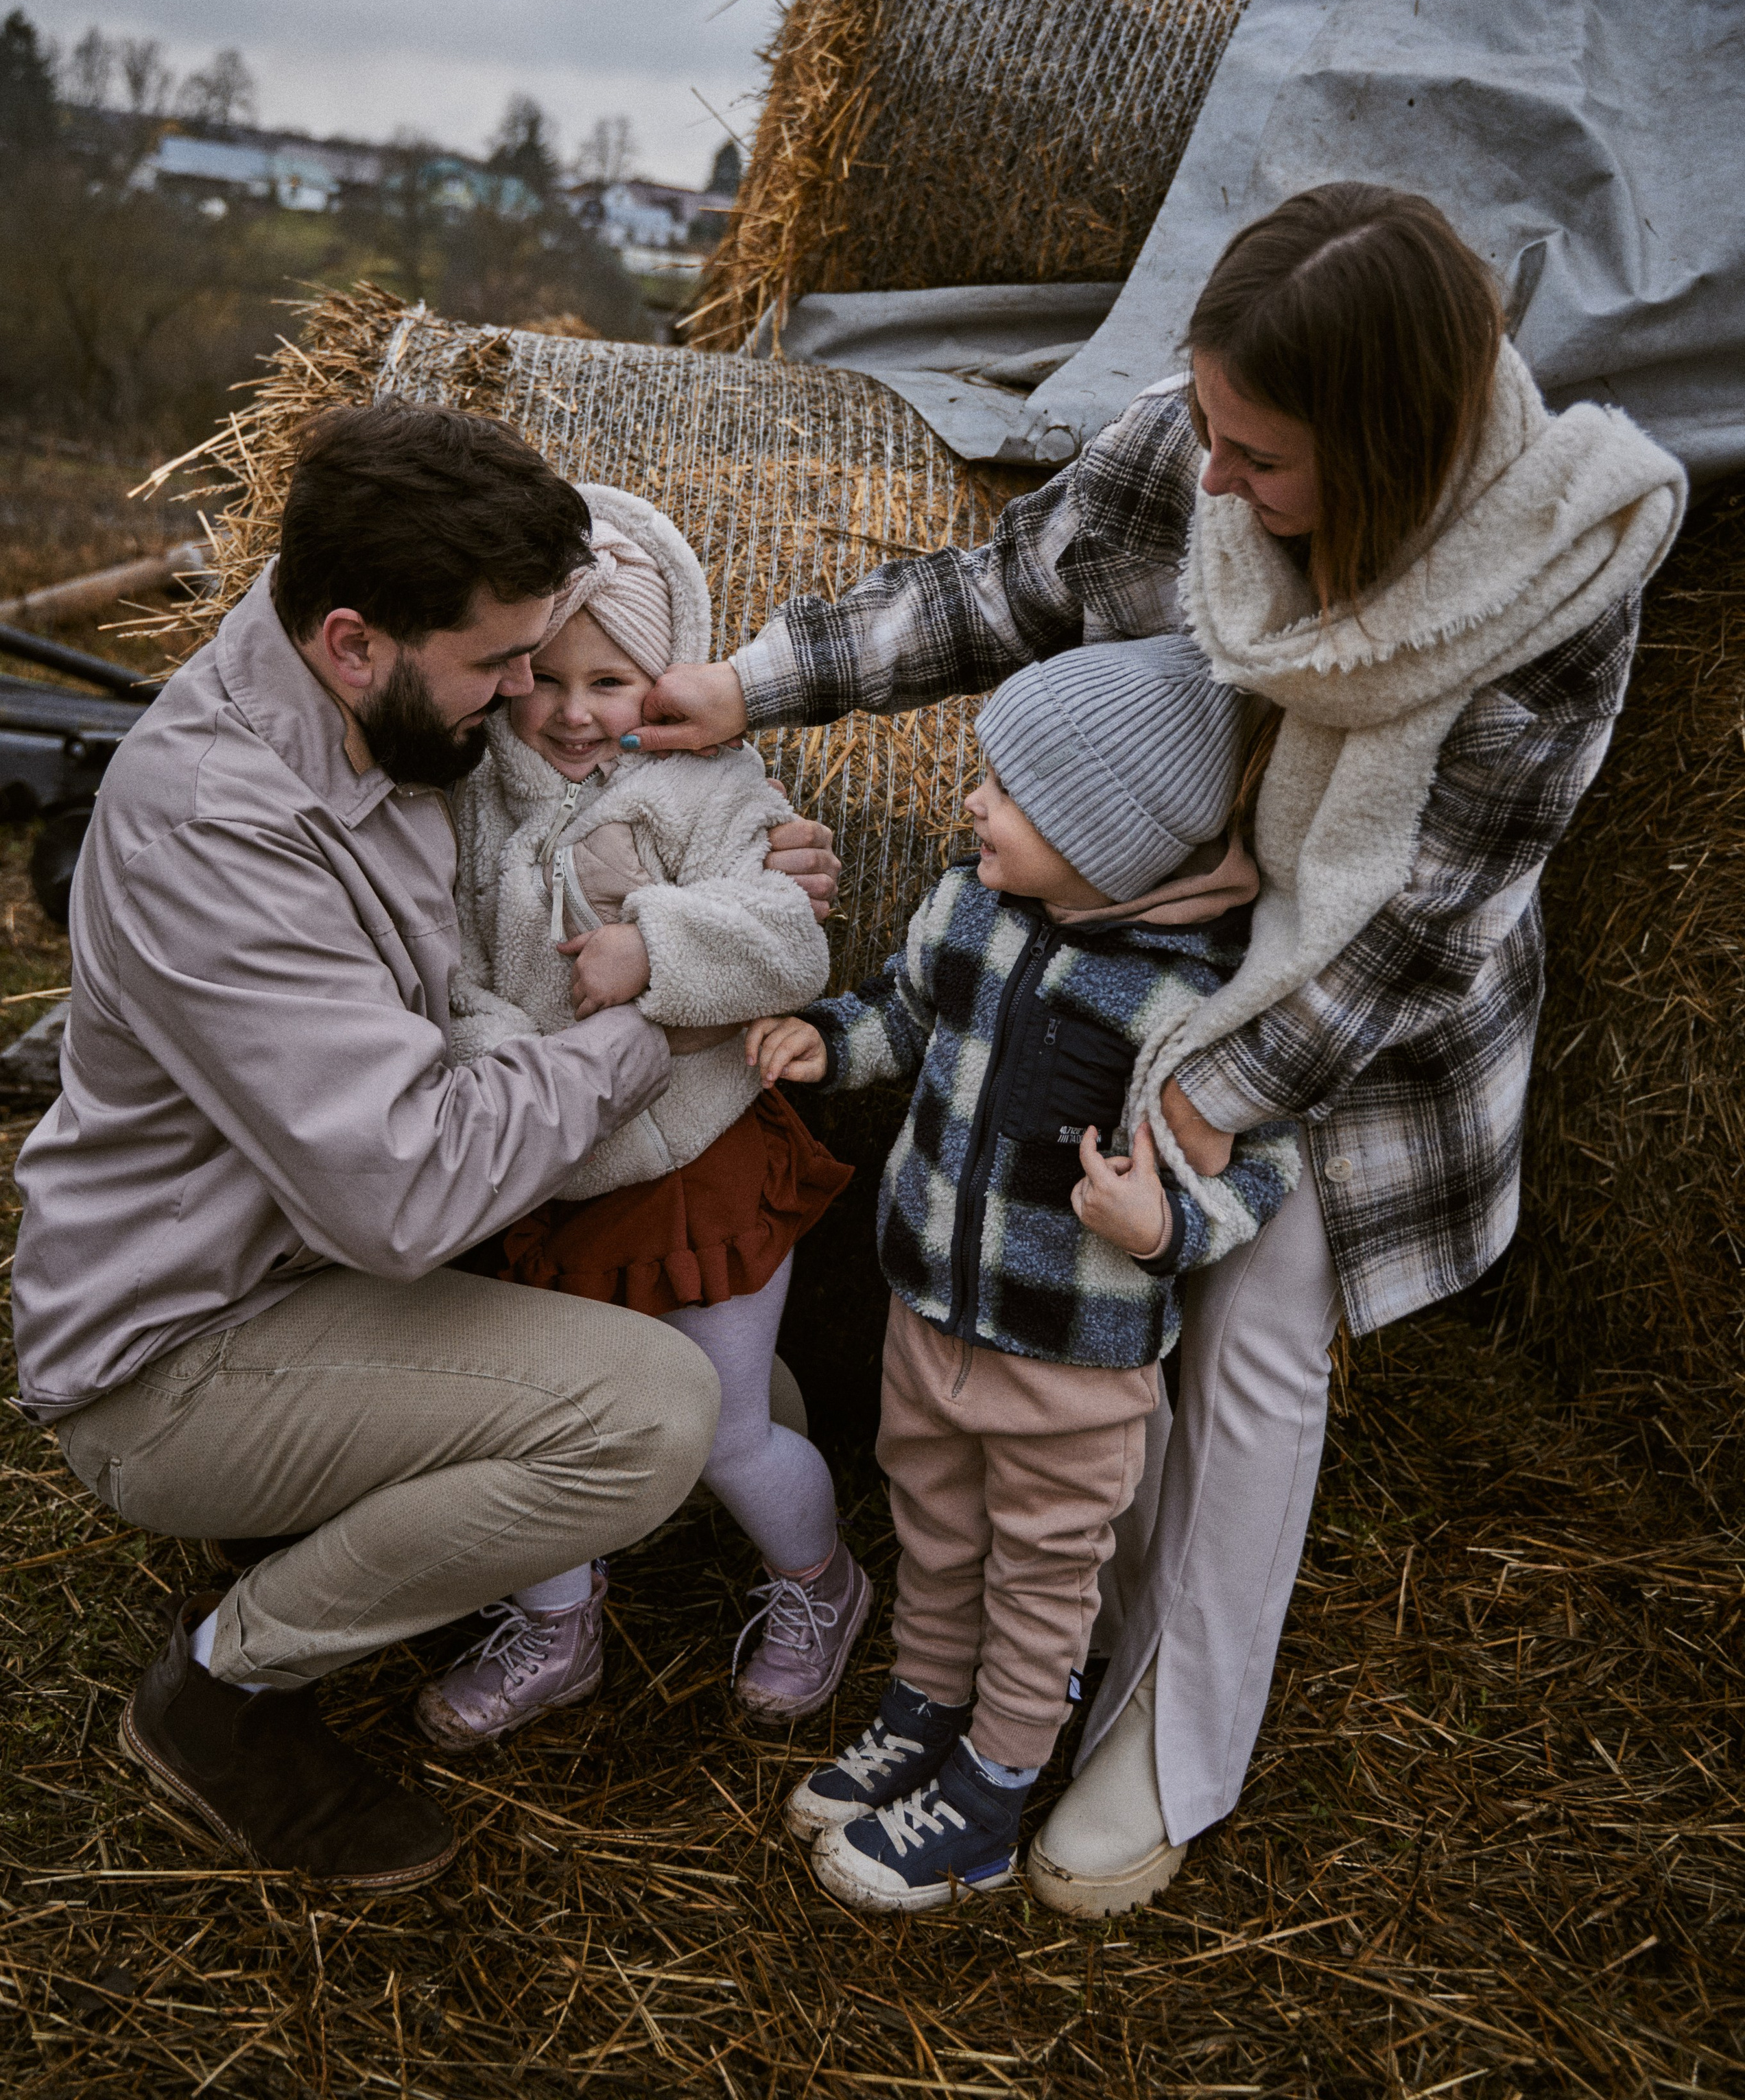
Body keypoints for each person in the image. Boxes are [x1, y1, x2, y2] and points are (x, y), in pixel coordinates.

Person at [634, 182, 1686, 1916]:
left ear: (1396, 458)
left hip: (1346, 989)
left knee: (1254, 1305)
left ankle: (1165, 1738)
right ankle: (1001, 1672)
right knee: (1057, 1307)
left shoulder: (1555, 587)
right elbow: (1001, 592)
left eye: (1258, 460)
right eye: (1204, 428)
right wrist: (753, 684)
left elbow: (1425, 927)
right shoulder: (1182, 451)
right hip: (1108, 898)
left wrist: (1197, 1099)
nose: (1209, 478)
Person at [10, 404, 840, 1893]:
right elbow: (409, 1192)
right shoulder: (218, 829)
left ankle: (373, 1521)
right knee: (648, 1417)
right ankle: (226, 1688)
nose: (532, 694)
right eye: (501, 665)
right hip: (190, 1346)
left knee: (748, 1381)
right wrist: (670, 1004)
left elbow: (611, 830)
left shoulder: (397, 717)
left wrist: (744, 878)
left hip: (315, 1255)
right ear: (351, 641)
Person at [748, 636, 1301, 1913]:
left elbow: (1256, 1168)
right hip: (927, 1308)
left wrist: (1165, 1228)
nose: (971, 803)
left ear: (1109, 837)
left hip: (1071, 1358)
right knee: (934, 1529)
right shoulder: (972, 908)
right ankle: (924, 1710)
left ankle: (993, 1792)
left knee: (1044, 1573)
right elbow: (903, 1009)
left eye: (1010, 792)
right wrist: (830, 1045)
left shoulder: (1193, 994)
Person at [416, 484, 867, 1752]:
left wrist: (653, 950)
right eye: (543, 675)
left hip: (700, 1165)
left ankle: (819, 1586)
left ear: (662, 678)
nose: (572, 711)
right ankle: (556, 1620)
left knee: (728, 1430)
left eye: (611, 680)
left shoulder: (710, 786)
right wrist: (504, 1060)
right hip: (547, 1164)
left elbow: (788, 937)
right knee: (541, 1420)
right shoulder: (466, 797)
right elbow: (445, 967)